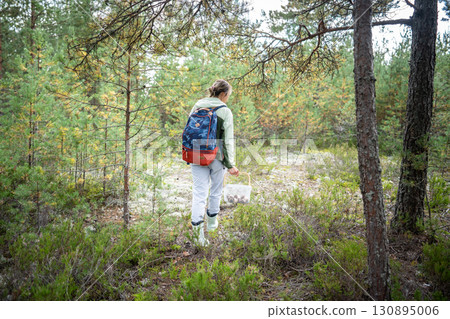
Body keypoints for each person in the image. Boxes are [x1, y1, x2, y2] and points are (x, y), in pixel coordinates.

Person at [189, 79, 239, 247]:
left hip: (196, 153)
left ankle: (198, 237)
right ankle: (211, 223)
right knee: (216, 190)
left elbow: (190, 130)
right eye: (228, 96)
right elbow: (228, 140)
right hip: (216, 156)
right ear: (223, 94)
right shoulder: (225, 110)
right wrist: (230, 164)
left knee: (199, 194)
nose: (228, 99)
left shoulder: (198, 105)